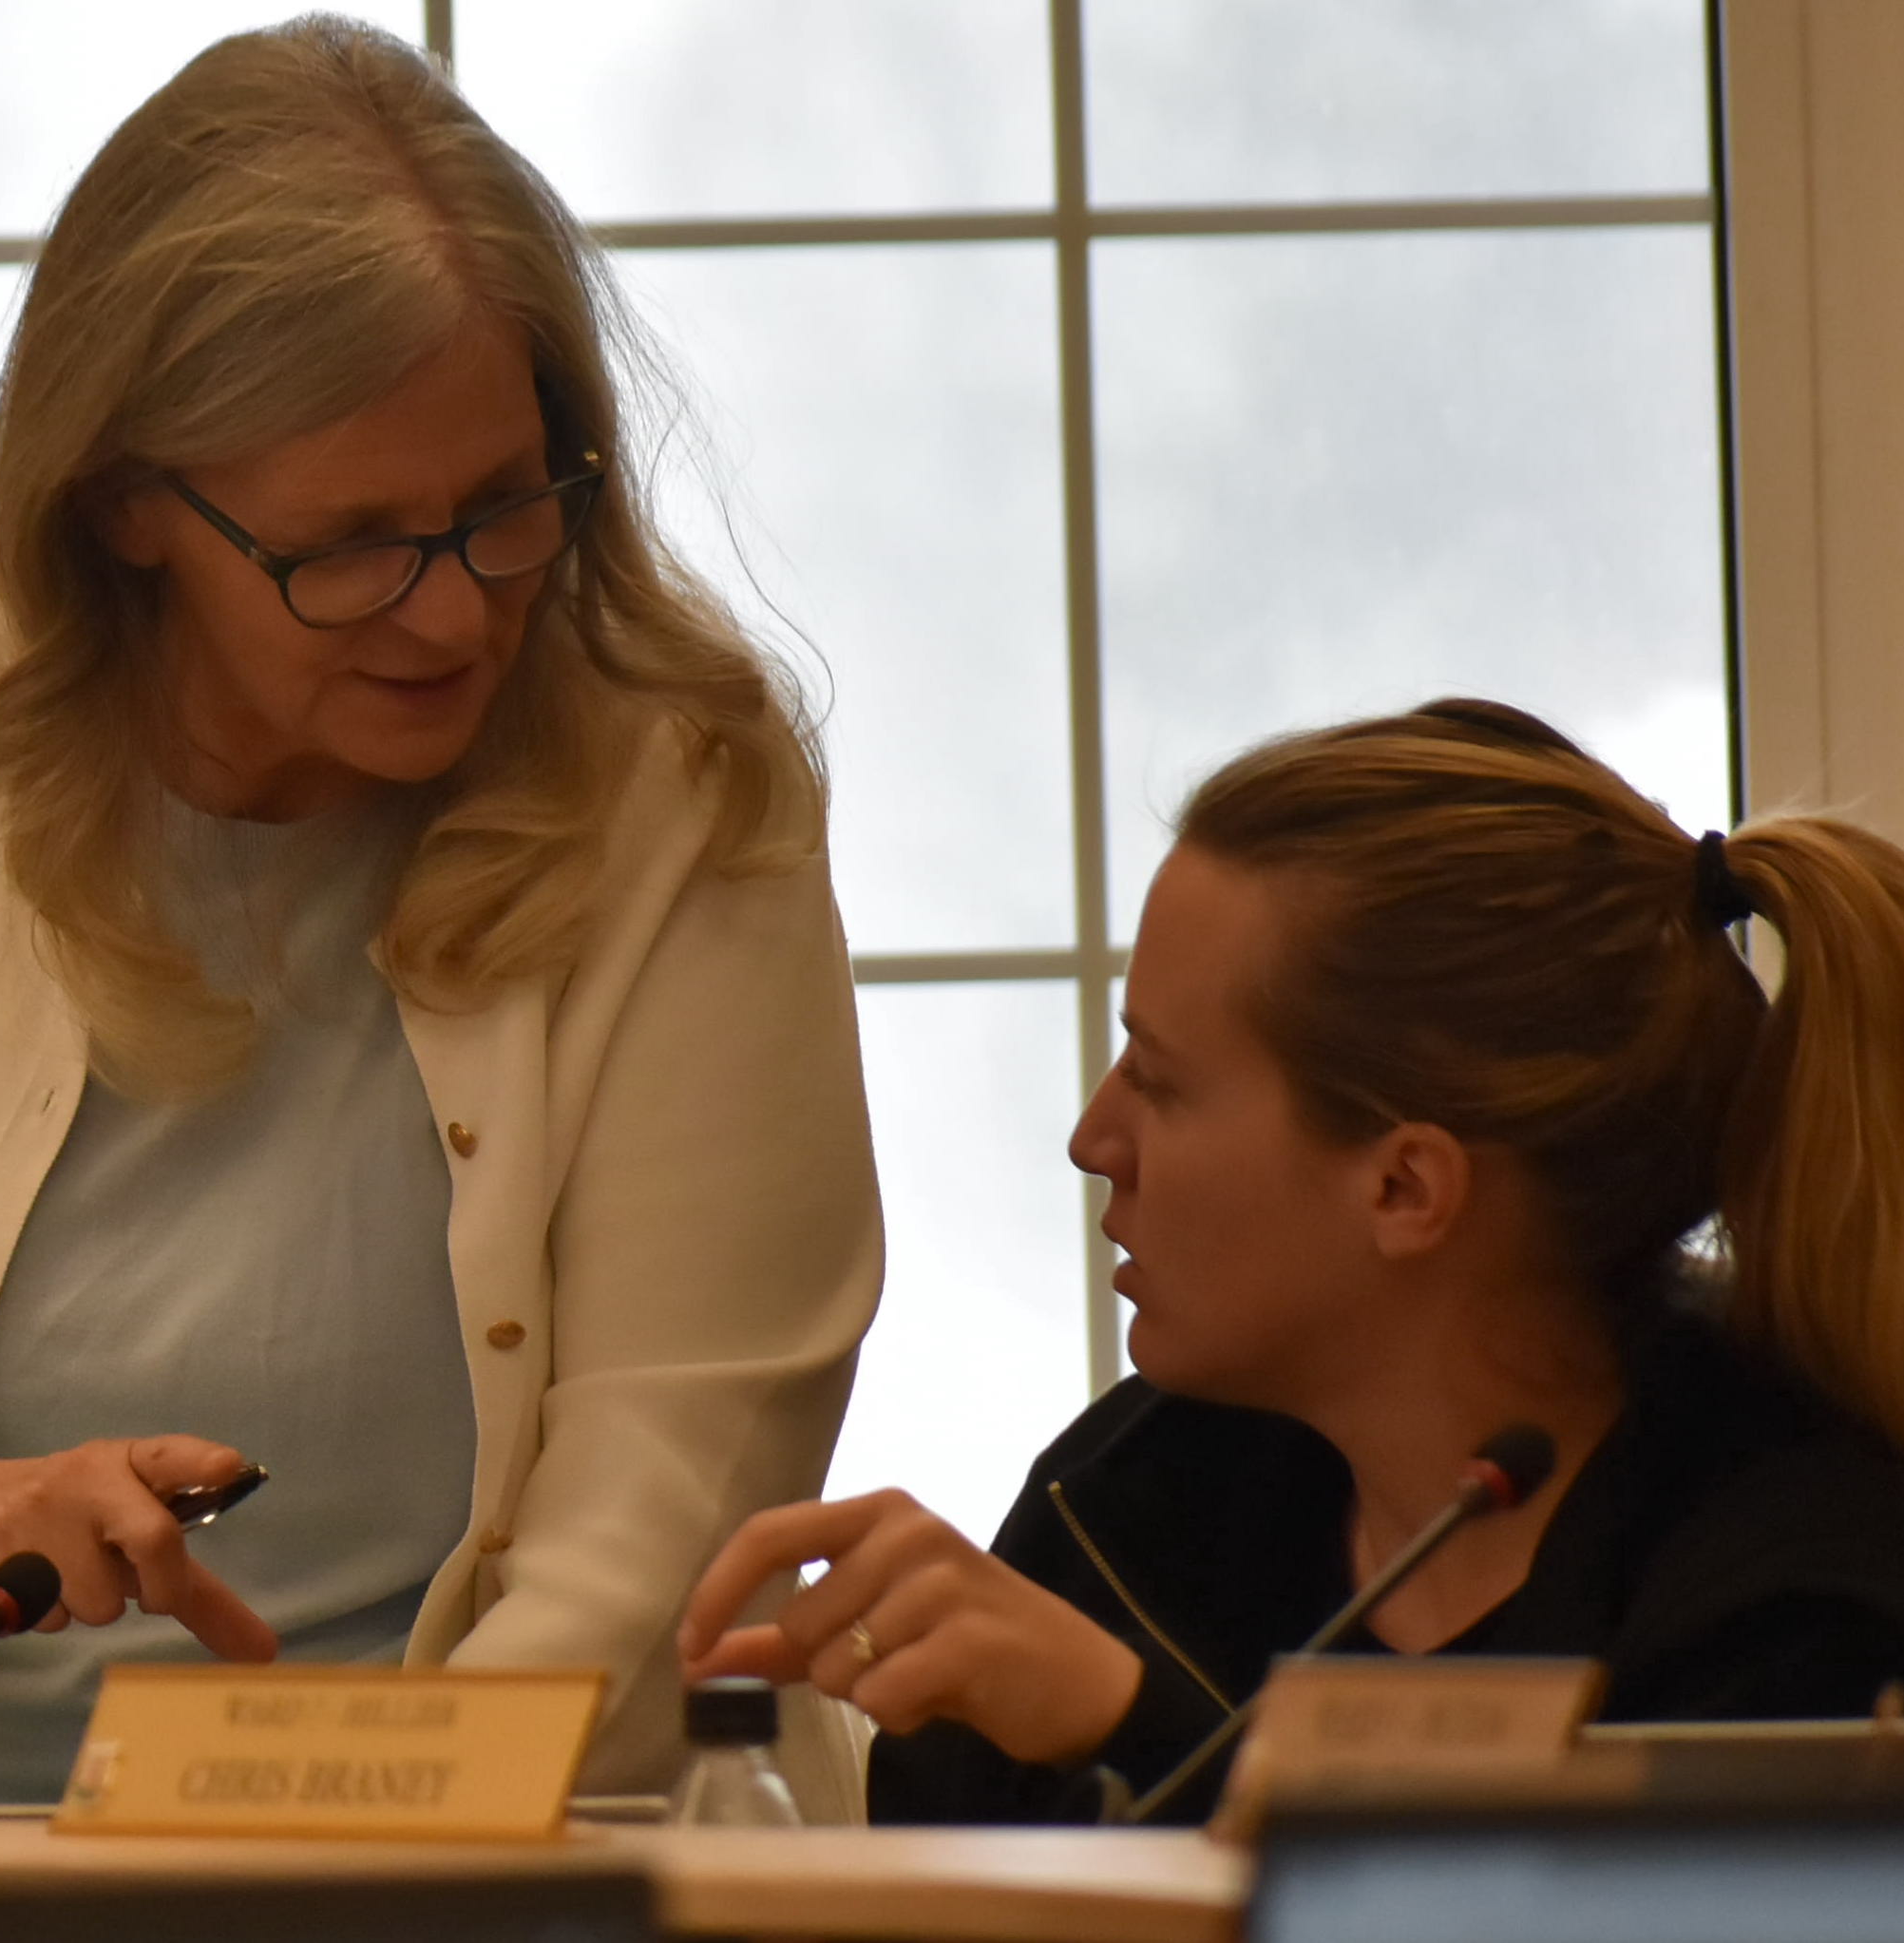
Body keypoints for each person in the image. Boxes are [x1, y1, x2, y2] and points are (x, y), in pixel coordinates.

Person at [0, 17, 878, 1805]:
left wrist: (325, 1837)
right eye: (348, 543)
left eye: (506, 507)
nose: (452, 614)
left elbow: (656, 1538)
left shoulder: (684, 786)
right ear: (125, 506)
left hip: (518, 1873)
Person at [678, 699, 1904, 1825]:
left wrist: (1123, 1725)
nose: (1091, 1139)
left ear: (1402, 1186)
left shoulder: (1795, 1606)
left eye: (1158, 1081)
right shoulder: (1127, 1511)